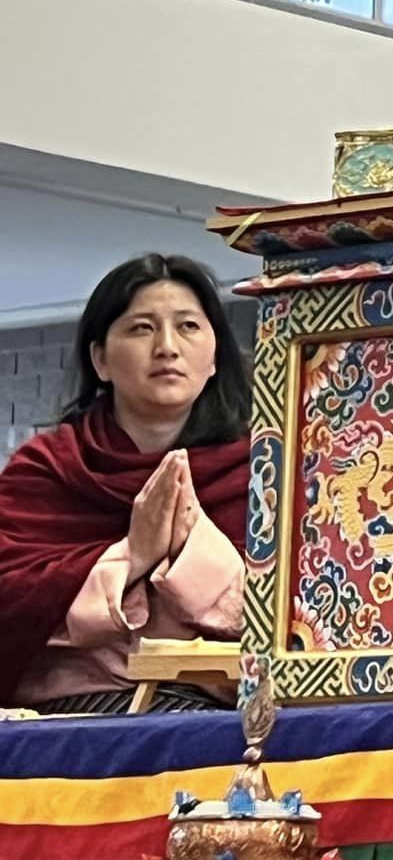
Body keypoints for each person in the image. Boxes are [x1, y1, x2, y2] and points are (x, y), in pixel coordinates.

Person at [0, 255, 251, 714]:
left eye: (188, 327)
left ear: (215, 356)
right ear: (100, 359)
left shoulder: (259, 471)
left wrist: (191, 541)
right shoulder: (48, 468)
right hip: (70, 713)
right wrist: (132, 555)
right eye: (141, 328)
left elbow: (289, 613)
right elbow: (10, 601)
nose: (167, 347)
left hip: (219, 710)